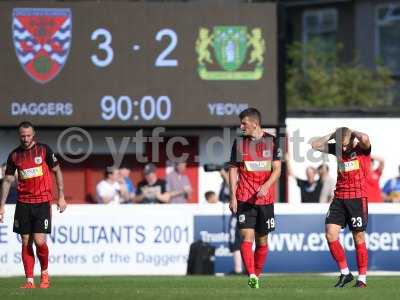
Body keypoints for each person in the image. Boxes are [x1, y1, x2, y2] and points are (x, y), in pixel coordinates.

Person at [0, 121, 67, 289]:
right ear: (19, 135)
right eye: (22, 136)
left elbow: (57, 171)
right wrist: (1, 205)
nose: (25, 138)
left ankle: (44, 273)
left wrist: (61, 196)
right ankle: (29, 280)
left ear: (33, 134)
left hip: (42, 201)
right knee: (25, 241)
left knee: (39, 241)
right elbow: (8, 180)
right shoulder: (14, 155)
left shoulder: (44, 150)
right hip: (23, 203)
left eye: (28, 135)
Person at [228, 107, 282, 288]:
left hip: (265, 201)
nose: (241, 126)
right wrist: (233, 196)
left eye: (244, 123)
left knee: (262, 241)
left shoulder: (272, 141)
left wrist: (266, 186)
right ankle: (251, 275)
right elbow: (233, 169)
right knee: (246, 237)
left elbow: (277, 169)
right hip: (244, 198)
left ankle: (256, 276)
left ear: (255, 124)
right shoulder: (239, 143)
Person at [311, 127, 371, 288]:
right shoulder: (337, 149)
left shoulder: (362, 150)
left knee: (358, 237)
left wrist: (352, 132)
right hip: (339, 198)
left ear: (352, 139)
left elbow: (365, 137)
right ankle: (345, 273)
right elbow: (315, 145)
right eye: (340, 145)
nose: (343, 148)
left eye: (344, 144)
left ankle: (362, 279)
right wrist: (332, 135)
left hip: (357, 198)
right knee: (330, 234)